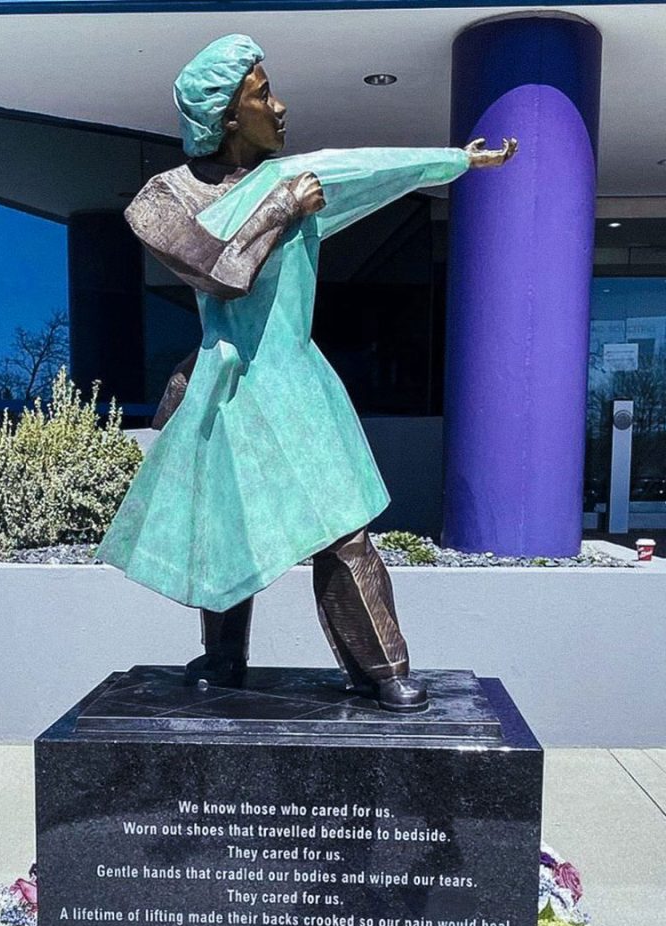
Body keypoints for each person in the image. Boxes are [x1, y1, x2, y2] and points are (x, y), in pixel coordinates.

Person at [97, 34, 516, 710]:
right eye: (263, 95)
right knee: (227, 533)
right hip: (227, 384)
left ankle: (383, 669)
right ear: (228, 116)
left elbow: (370, 169)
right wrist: (281, 209)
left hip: (292, 380)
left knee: (342, 529)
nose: (281, 106)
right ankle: (225, 658)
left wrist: (455, 162)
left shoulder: (298, 176)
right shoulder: (159, 201)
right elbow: (221, 271)